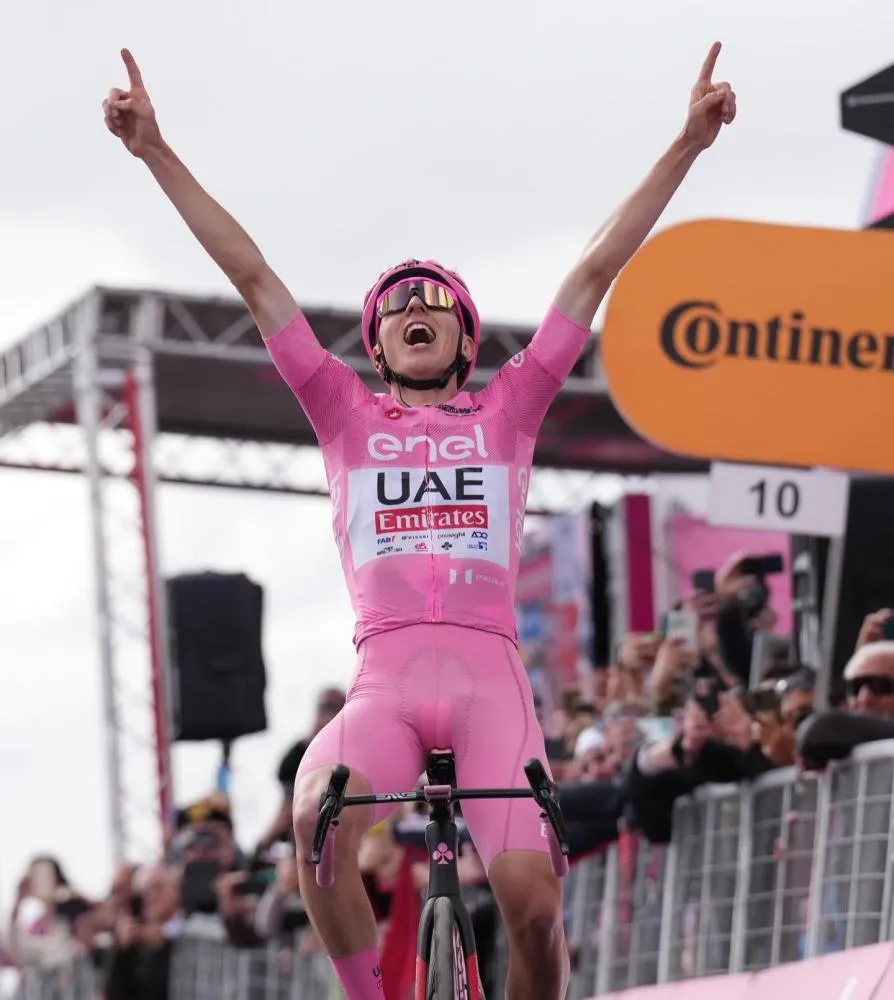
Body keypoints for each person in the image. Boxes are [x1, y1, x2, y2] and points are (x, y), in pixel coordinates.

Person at [102, 41, 736, 1000]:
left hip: (489, 682)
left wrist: (687, 144)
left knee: (529, 906)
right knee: (318, 820)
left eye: (438, 300)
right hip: (385, 683)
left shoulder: (509, 409)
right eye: (398, 303)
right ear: (378, 337)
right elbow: (254, 275)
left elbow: (598, 265)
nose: (418, 307)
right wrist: (156, 152)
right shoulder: (340, 409)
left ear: (465, 335)